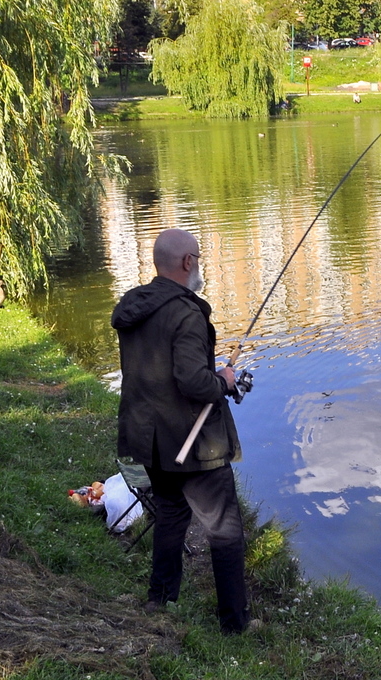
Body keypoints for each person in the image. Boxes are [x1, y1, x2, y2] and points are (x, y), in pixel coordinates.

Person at [111, 228, 249, 635]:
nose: (200, 267)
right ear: (188, 262)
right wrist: (223, 380)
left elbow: (163, 372)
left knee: (171, 514)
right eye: (199, 259)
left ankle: (160, 598)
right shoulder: (187, 313)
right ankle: (234, 625)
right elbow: (192, 382)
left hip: (145, 439)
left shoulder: (134, 307)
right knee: (225, 531)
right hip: (191, 444)